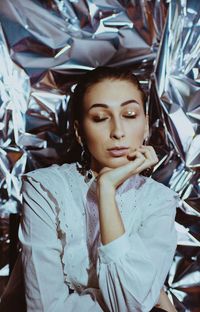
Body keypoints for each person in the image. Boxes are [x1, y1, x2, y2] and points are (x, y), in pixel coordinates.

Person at [1, 67, 179, 312]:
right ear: (79, 131)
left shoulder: (159, 200)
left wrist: (106, 191)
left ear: (146, 125)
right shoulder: (44, 188)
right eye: (99, 118)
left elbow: (130, 303)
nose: (118, 132)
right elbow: (45, 307)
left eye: (129, 114)